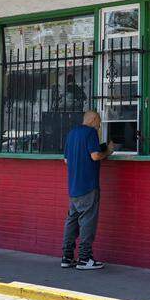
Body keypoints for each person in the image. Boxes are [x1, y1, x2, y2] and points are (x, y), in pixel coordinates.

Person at [61, 109, 113, 269]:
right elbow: (95, 156)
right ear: (94, 119)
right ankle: (84, 259)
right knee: (88, 222)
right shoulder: (90, 132)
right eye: (99, 123)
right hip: (88, 186)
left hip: (74, 186)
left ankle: (67, 257)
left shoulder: (72, 133)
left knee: (71, 221)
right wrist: (108, 151)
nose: (99, 127)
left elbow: (66, 160)